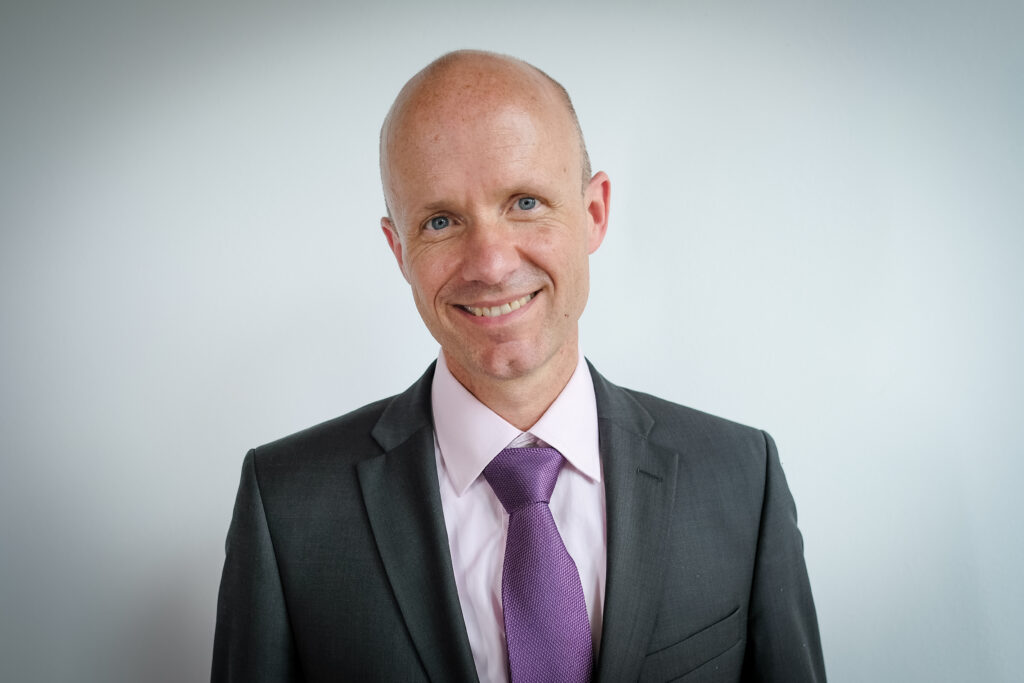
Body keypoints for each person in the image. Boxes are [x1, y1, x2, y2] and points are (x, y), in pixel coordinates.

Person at [211, 50, 826, 682]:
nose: (491, 263)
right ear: (399, 250)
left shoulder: (741, 477)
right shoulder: (286, 506)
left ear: (594, 213)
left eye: (526, 203)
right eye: (441, 221)